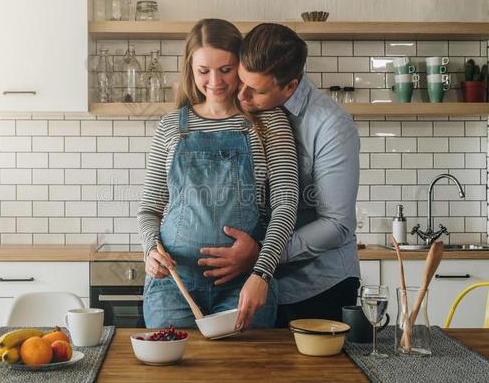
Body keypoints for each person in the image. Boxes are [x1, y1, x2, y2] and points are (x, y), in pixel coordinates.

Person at [137, 19, 299, 331]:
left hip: (244, 285)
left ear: (241, 64)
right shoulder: (170, 126)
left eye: (226, 69)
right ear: (190, 69)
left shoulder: (270, 123)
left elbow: (285, 206)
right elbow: (149, 209)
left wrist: (261, 273)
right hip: (174, 285)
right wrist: (150, 251)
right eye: (203, 71)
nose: (215, 81)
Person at [198, 23, 361, 326]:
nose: (242, 95)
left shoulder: (330, 125)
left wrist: (262, 256)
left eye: (257, 91)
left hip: (316, 287)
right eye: (241, 81)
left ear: (290, 87)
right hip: (249, 285)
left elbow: (337, 224)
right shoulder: (243, 109)